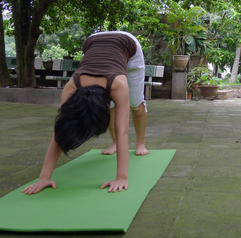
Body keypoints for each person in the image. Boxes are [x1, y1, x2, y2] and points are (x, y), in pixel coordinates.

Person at [22, 31, 148, 195]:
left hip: (127, 43)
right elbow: (62, 127)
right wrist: (44, 177)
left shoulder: (118, 84)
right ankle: (114, 143)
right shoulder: (72, 86)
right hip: (92, 41)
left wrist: (121, 177)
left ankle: (141, 142)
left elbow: (123, 131)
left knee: (135, 104)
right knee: (113, 110)